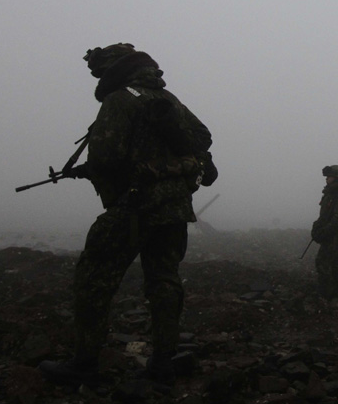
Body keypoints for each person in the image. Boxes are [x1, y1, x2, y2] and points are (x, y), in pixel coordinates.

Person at [39, 43, 215, 387]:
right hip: (175, 208)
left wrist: (92, 170)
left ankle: (84, 363)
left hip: (135, 206)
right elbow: (203, 137)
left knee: (93, 280)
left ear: (113, 69)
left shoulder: (120, 98)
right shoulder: (170, 100)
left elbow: (107, 157)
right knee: (164, 281)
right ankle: (163, 362)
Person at [311, 165, 338, 300]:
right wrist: (317, 227)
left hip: (335, 235)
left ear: (336, 178)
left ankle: (326, 293)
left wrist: (324, 232)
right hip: (331, 233)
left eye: (329, 177)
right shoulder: (331, 194)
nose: (326, 179)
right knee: (334, 261)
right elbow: (325, 215)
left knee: (322, 261)